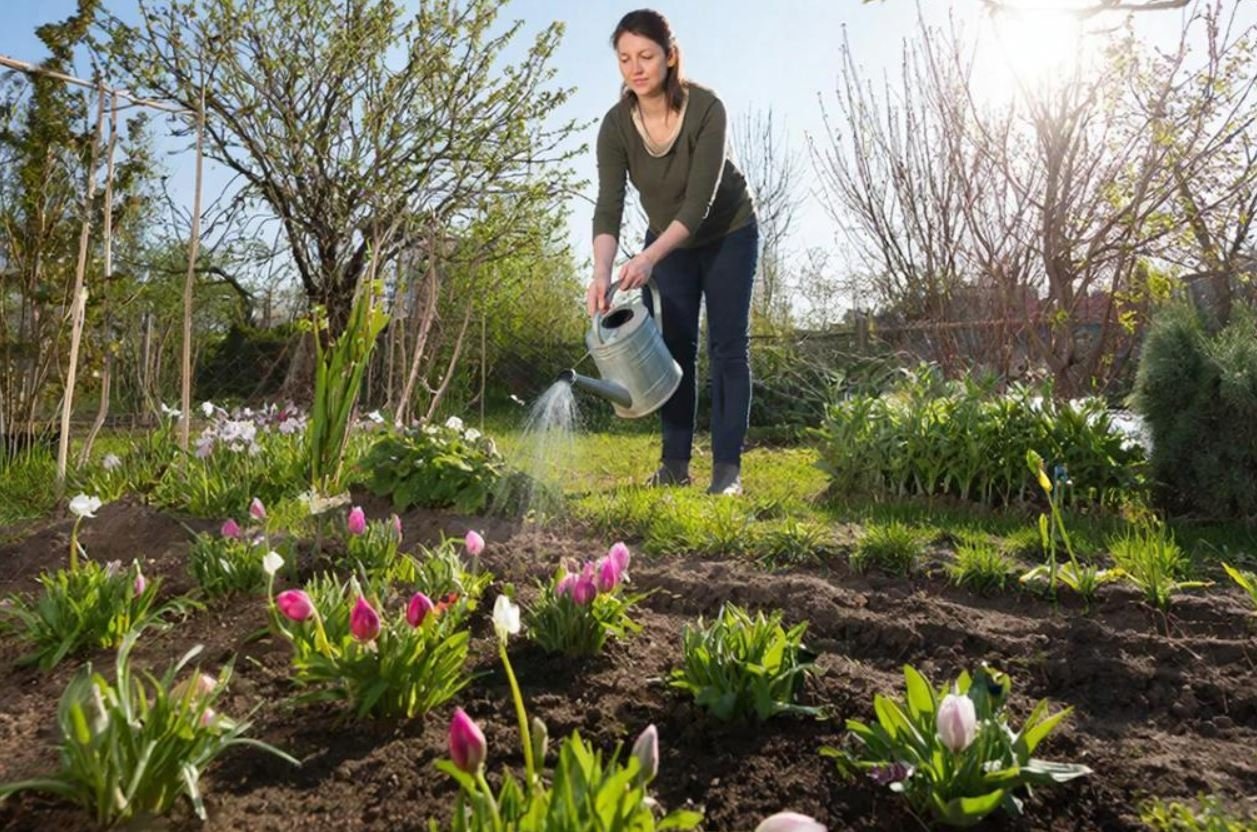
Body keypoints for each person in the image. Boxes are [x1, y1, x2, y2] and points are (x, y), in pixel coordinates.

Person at [588, 8, 759, 496]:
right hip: (668, 245)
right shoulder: (616, 126)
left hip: (728, 232)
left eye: (646, 56)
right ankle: (674, 465)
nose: (635, 68)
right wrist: (602, 272)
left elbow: (699, 202)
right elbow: (609, 206)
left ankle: (727, 472)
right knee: (674, 347)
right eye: (625, 58)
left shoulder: (707, 109)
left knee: (728, 347)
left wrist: (647, 258)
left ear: (669, 56)